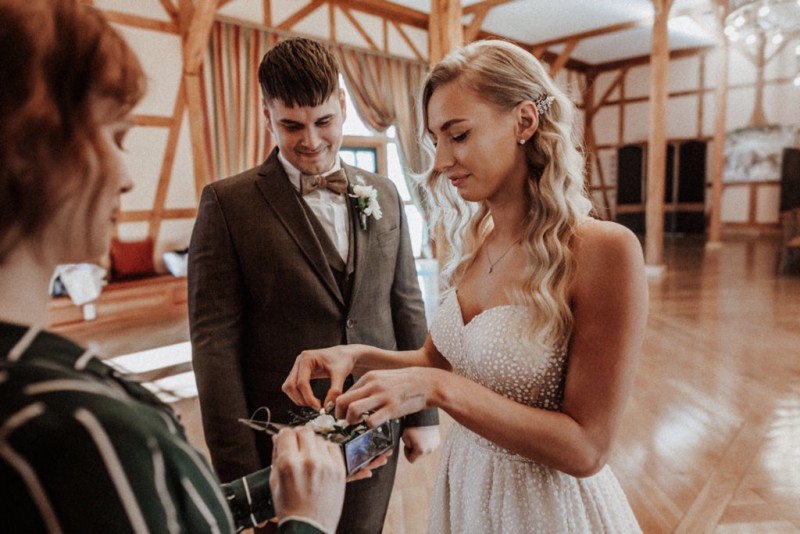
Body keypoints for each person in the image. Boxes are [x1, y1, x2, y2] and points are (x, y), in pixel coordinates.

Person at [0, 1, 366, 532]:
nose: (127, 177)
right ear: (35, 149)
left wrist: (277, 491)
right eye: (117, 136)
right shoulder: (79, 432)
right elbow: (214, 337)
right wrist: (306, 520)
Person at [283, 39, 649, 532]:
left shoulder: (605, 251)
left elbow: (586, 448)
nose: (440, 161)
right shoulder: (476, 245)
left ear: (524, 121)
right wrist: (353, 355)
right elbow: (435, 362)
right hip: (468, 488)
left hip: (545, 507)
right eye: (436, 139)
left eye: (458, 135)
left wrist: (437, 390)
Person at [188, 37, 439, 532]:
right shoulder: (227, 204)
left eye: (324, 121)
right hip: (283, 443)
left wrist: (420, 413)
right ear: (266, 114)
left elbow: (405, 304)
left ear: (343, 106)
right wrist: (242, 476)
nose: (311, 141)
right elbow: (214, 345)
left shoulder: (384, 193)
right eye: (291, 125)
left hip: (376, 421)